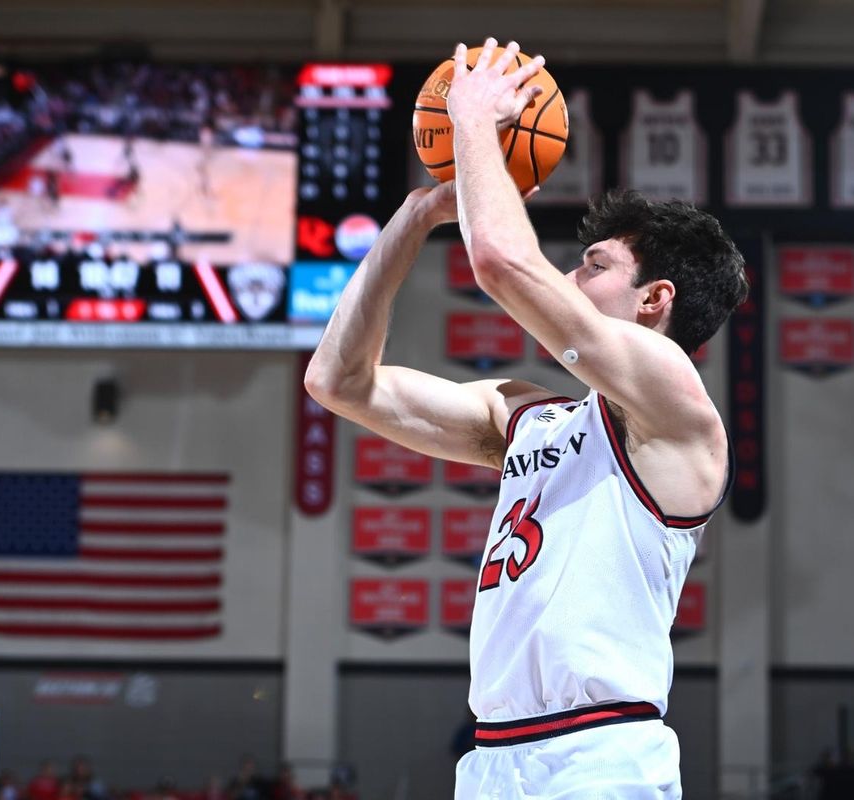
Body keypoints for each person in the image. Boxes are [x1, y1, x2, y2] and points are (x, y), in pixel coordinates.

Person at [305, 37, 747, 800]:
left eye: (596, 264)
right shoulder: (527, 419)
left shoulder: (677, 403)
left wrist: (473, 121)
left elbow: (504, 264)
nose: (572, 274)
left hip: (601, 756)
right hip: (493, 761)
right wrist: (413, 217)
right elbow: (338, 380)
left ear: (656, 299)